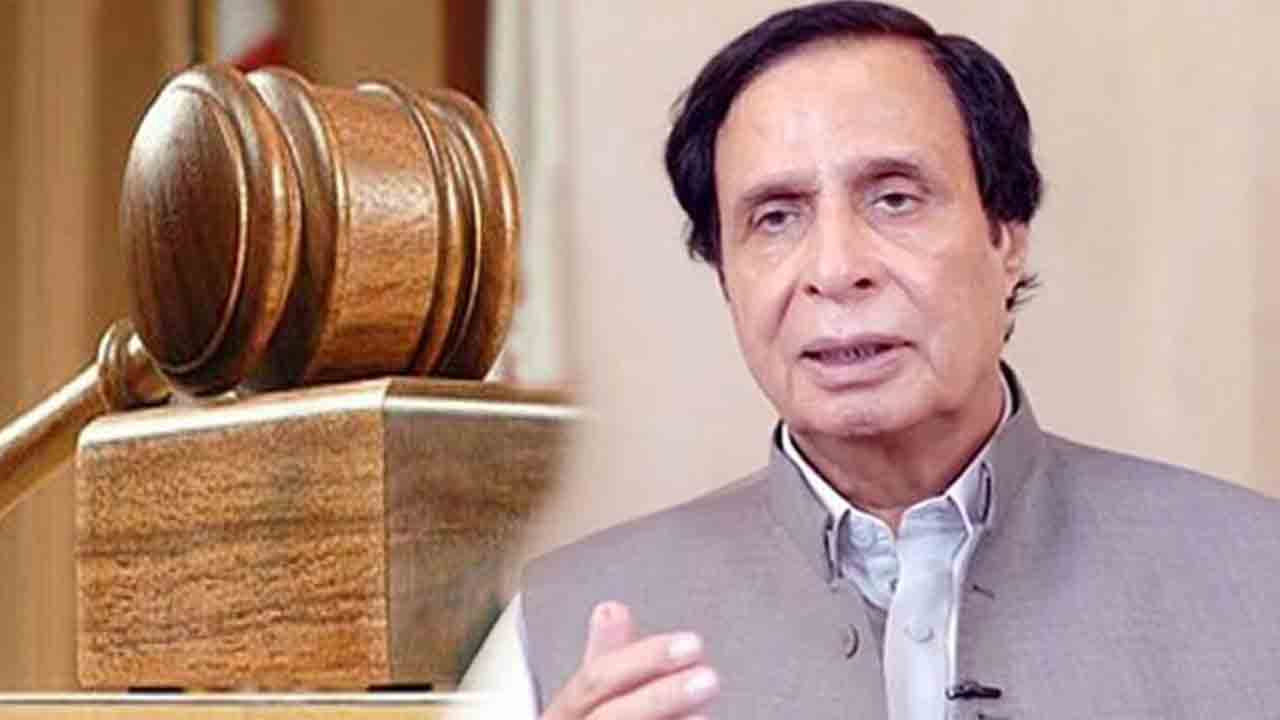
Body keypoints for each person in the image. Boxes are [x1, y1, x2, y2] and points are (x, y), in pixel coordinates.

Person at [464, 2, 1280, 718]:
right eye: (775, 218)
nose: (834, 268)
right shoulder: (561, 633)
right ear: (725, 278)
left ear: (1006, 237)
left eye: (894, 198)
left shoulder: (1257, 576)